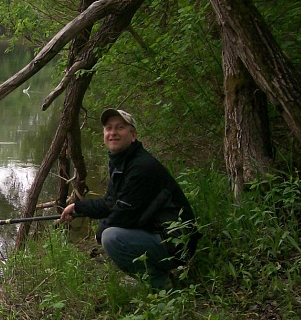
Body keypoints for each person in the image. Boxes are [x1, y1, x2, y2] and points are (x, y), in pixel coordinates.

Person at [60, 108, 199, 288]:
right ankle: (156, 273)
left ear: (133, 135)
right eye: (108, 128)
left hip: (178, 243)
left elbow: (125, 213)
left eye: (120, 128)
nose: (113, 133)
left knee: (111, 236)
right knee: (110, 231)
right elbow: (110, 203)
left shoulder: (141, 166)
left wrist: (100, 230)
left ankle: (160, 282)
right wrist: (78, 207)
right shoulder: (123, 161)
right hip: (160, 233)